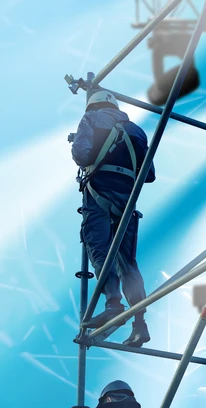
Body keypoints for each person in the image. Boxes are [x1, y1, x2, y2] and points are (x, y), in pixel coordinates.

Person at [71, 90, 153, 348]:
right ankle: (139, 323)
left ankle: (113, 305)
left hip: (99, 193)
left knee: (98, 247)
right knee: (128, 261)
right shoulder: (138, 131)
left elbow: (81, 155)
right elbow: (148, 174)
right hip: (127, 199)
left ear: (93, 106)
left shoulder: (92, 118)